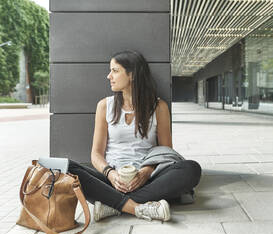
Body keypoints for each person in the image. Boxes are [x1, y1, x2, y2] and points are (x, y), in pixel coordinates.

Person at [68, 50, 201, 222]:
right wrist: (110, 174)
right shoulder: (104, 106)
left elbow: (166, 152)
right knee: (69, 169)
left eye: (115, 71)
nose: (109, 76)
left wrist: (145, 172)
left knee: (191, 169)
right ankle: (138, 207)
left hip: (148, 179)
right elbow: (96, 154)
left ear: (132, 75)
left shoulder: (159, 107)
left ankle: (113, 206)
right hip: (111, 181)